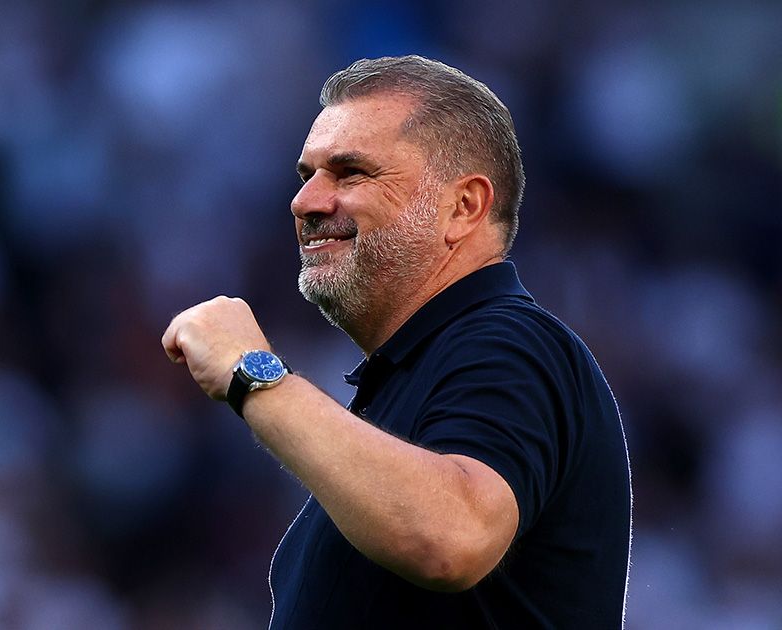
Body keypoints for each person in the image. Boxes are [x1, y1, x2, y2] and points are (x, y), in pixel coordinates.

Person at [161, 56, 632, 628]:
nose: (305, 202)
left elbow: (450, 537)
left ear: (463, 207)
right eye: (306, 174)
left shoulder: (509, 342)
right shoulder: (417, 380)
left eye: (351, 172)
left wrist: (251, 373)